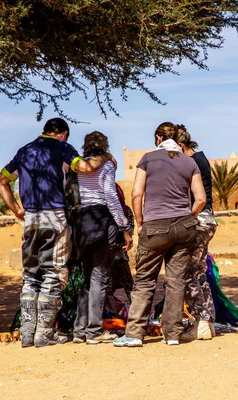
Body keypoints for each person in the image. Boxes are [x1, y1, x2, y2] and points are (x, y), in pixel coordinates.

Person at [0, 117, 114, 348]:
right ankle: (45, 333)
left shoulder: (24, 151)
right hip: (55, 217)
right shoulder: (62, 148)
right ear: (64, 134)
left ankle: (27, 334)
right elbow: (84, 167)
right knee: (55, 272)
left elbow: (1, 181)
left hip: (30, 219)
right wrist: (106, 157)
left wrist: (17, 210)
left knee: (31, 275)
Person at [114, 122, 206, 348]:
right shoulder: (189, 161)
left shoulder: (148, 159)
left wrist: (139, 221)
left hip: (155, 225)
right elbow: (201, 198)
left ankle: (135, 333)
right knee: (176, 281)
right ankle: (172, 334)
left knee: (145, 280)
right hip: (184, 228)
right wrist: (188, 217)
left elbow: (137, 194)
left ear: (158, 138)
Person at [71, 131, 133, 345]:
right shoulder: (106, 165)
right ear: (105, 146)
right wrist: (124, 226)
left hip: (80, 223)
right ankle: (94, 332)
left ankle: (79, 330)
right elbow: (110, 197)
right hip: (101, 220)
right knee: (99, 276)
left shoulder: (76, 166)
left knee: (86, 277)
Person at [175, 126, 218, 340]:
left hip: (198, 220)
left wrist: (187, 218)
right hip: (208, 220)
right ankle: (207, 322)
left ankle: (201, 320)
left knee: (187, 272)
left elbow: (198, 198)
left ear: (181, 146)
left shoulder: (192, 162)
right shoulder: (201, 159)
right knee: (199, 271)